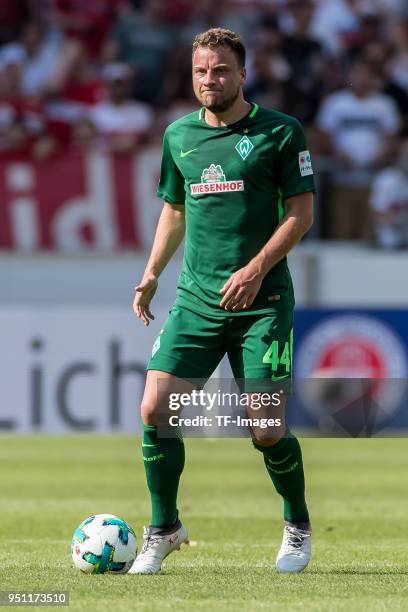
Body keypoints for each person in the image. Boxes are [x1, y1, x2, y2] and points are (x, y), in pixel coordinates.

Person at [130, 28, 315, 575]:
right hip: (196, 301)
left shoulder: (280, 132)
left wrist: (255, 271)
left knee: (265, 429)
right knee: (154, 409)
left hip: (263, 301)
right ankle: (164, 528)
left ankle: (297, 524)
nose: (210, 80)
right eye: (200, 71)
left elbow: (300, 214)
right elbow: (175, 209)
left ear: (242, 73)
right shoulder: (178, 136)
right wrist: (150, 273)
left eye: (220, 70)